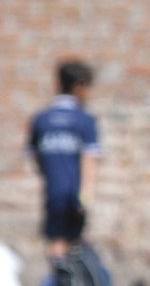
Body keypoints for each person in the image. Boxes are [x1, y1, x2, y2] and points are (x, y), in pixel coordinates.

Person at [29, 60, 101, 259]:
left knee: (55, 241)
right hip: (74, 193)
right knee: (70, 246)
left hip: (53, 191)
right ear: (79, 87)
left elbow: (36, 156)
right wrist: (86, 196)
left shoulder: (41, 119)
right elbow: (89, 161)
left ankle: (58, 282)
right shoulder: (84, 120)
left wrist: (51, 175)